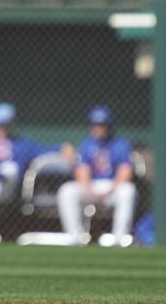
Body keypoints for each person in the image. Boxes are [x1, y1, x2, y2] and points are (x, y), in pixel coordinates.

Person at [0, 103, 62, 243]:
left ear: (11, 124)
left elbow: (44, 150)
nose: (1, 128)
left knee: (10, 168)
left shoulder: (21, 144)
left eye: (5, 124)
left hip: (7, 189)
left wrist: (62, 147)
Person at [57, 105, 136, 247]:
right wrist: (88, 190)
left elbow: (125, 171)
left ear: (109, 125)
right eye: (95, 125)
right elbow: (81, 170)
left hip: (113, 186)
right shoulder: (86, 145)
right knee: (67, 190)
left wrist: (111, 190)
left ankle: (119, 237)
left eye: (102, 124)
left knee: (128, 190)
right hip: (91, 186)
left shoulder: (120, 144)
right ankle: (75, 236)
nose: (98, 128)